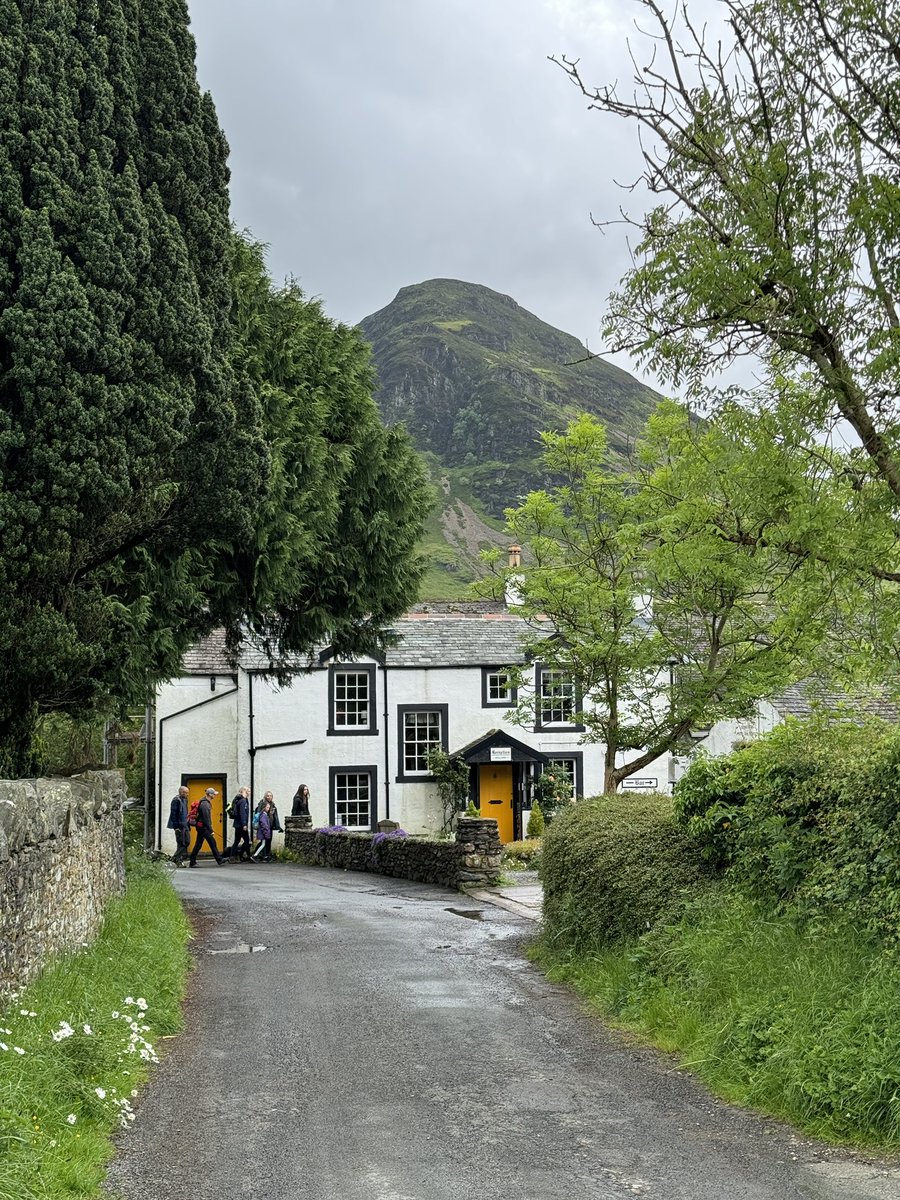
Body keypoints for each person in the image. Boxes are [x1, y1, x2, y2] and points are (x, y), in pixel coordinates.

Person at [189, 787, 225, 867]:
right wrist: (211, 829)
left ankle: (192, 861)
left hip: (201, 827)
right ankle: (219, 859)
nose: (215, 796)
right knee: (212, 842)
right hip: (203, 827)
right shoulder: (205, 804)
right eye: (214, 794)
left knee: (199, 844)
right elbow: (206, 818)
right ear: (210, 794)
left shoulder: (204, 802)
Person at [167, 785, 190, 866]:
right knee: (182, 842)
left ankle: (177, 859)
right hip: (180, 826)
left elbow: (185, 812)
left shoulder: (184, 800)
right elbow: (173, 814)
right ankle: (176, 859)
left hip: (185, 825)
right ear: (182, 792)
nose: (187, 794)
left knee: (185, 842)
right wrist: (176, 827)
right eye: (186, 793)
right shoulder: (176, 800)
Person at [230, 786, 253, 862]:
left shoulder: (240, 800)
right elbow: (243, 813)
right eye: (248, 791)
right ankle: (242, 854)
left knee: (237, 840)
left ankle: (233, 856)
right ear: (245, 791)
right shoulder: (243, 801)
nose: (249, 792)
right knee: (247, 841)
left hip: (237, 824)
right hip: (241, 825)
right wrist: (244, 825)